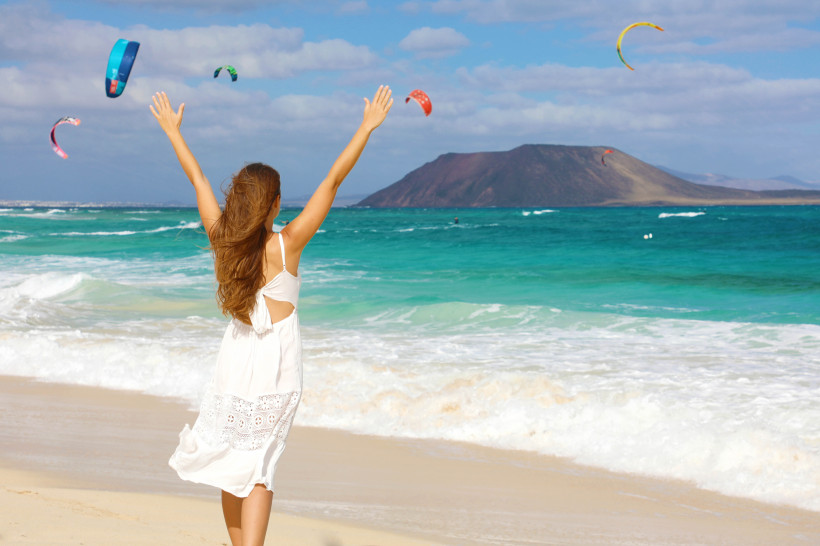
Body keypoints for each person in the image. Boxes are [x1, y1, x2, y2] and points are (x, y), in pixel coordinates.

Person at [150, 85, 392, 546]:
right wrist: (366, 127)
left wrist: (173, 132)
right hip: (275, 366)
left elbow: (199, 181)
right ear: (274, 203)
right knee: (260, 464)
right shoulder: (287, 244)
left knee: (231, 459)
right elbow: (332, 182)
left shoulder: (223, 240)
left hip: (234, 359)